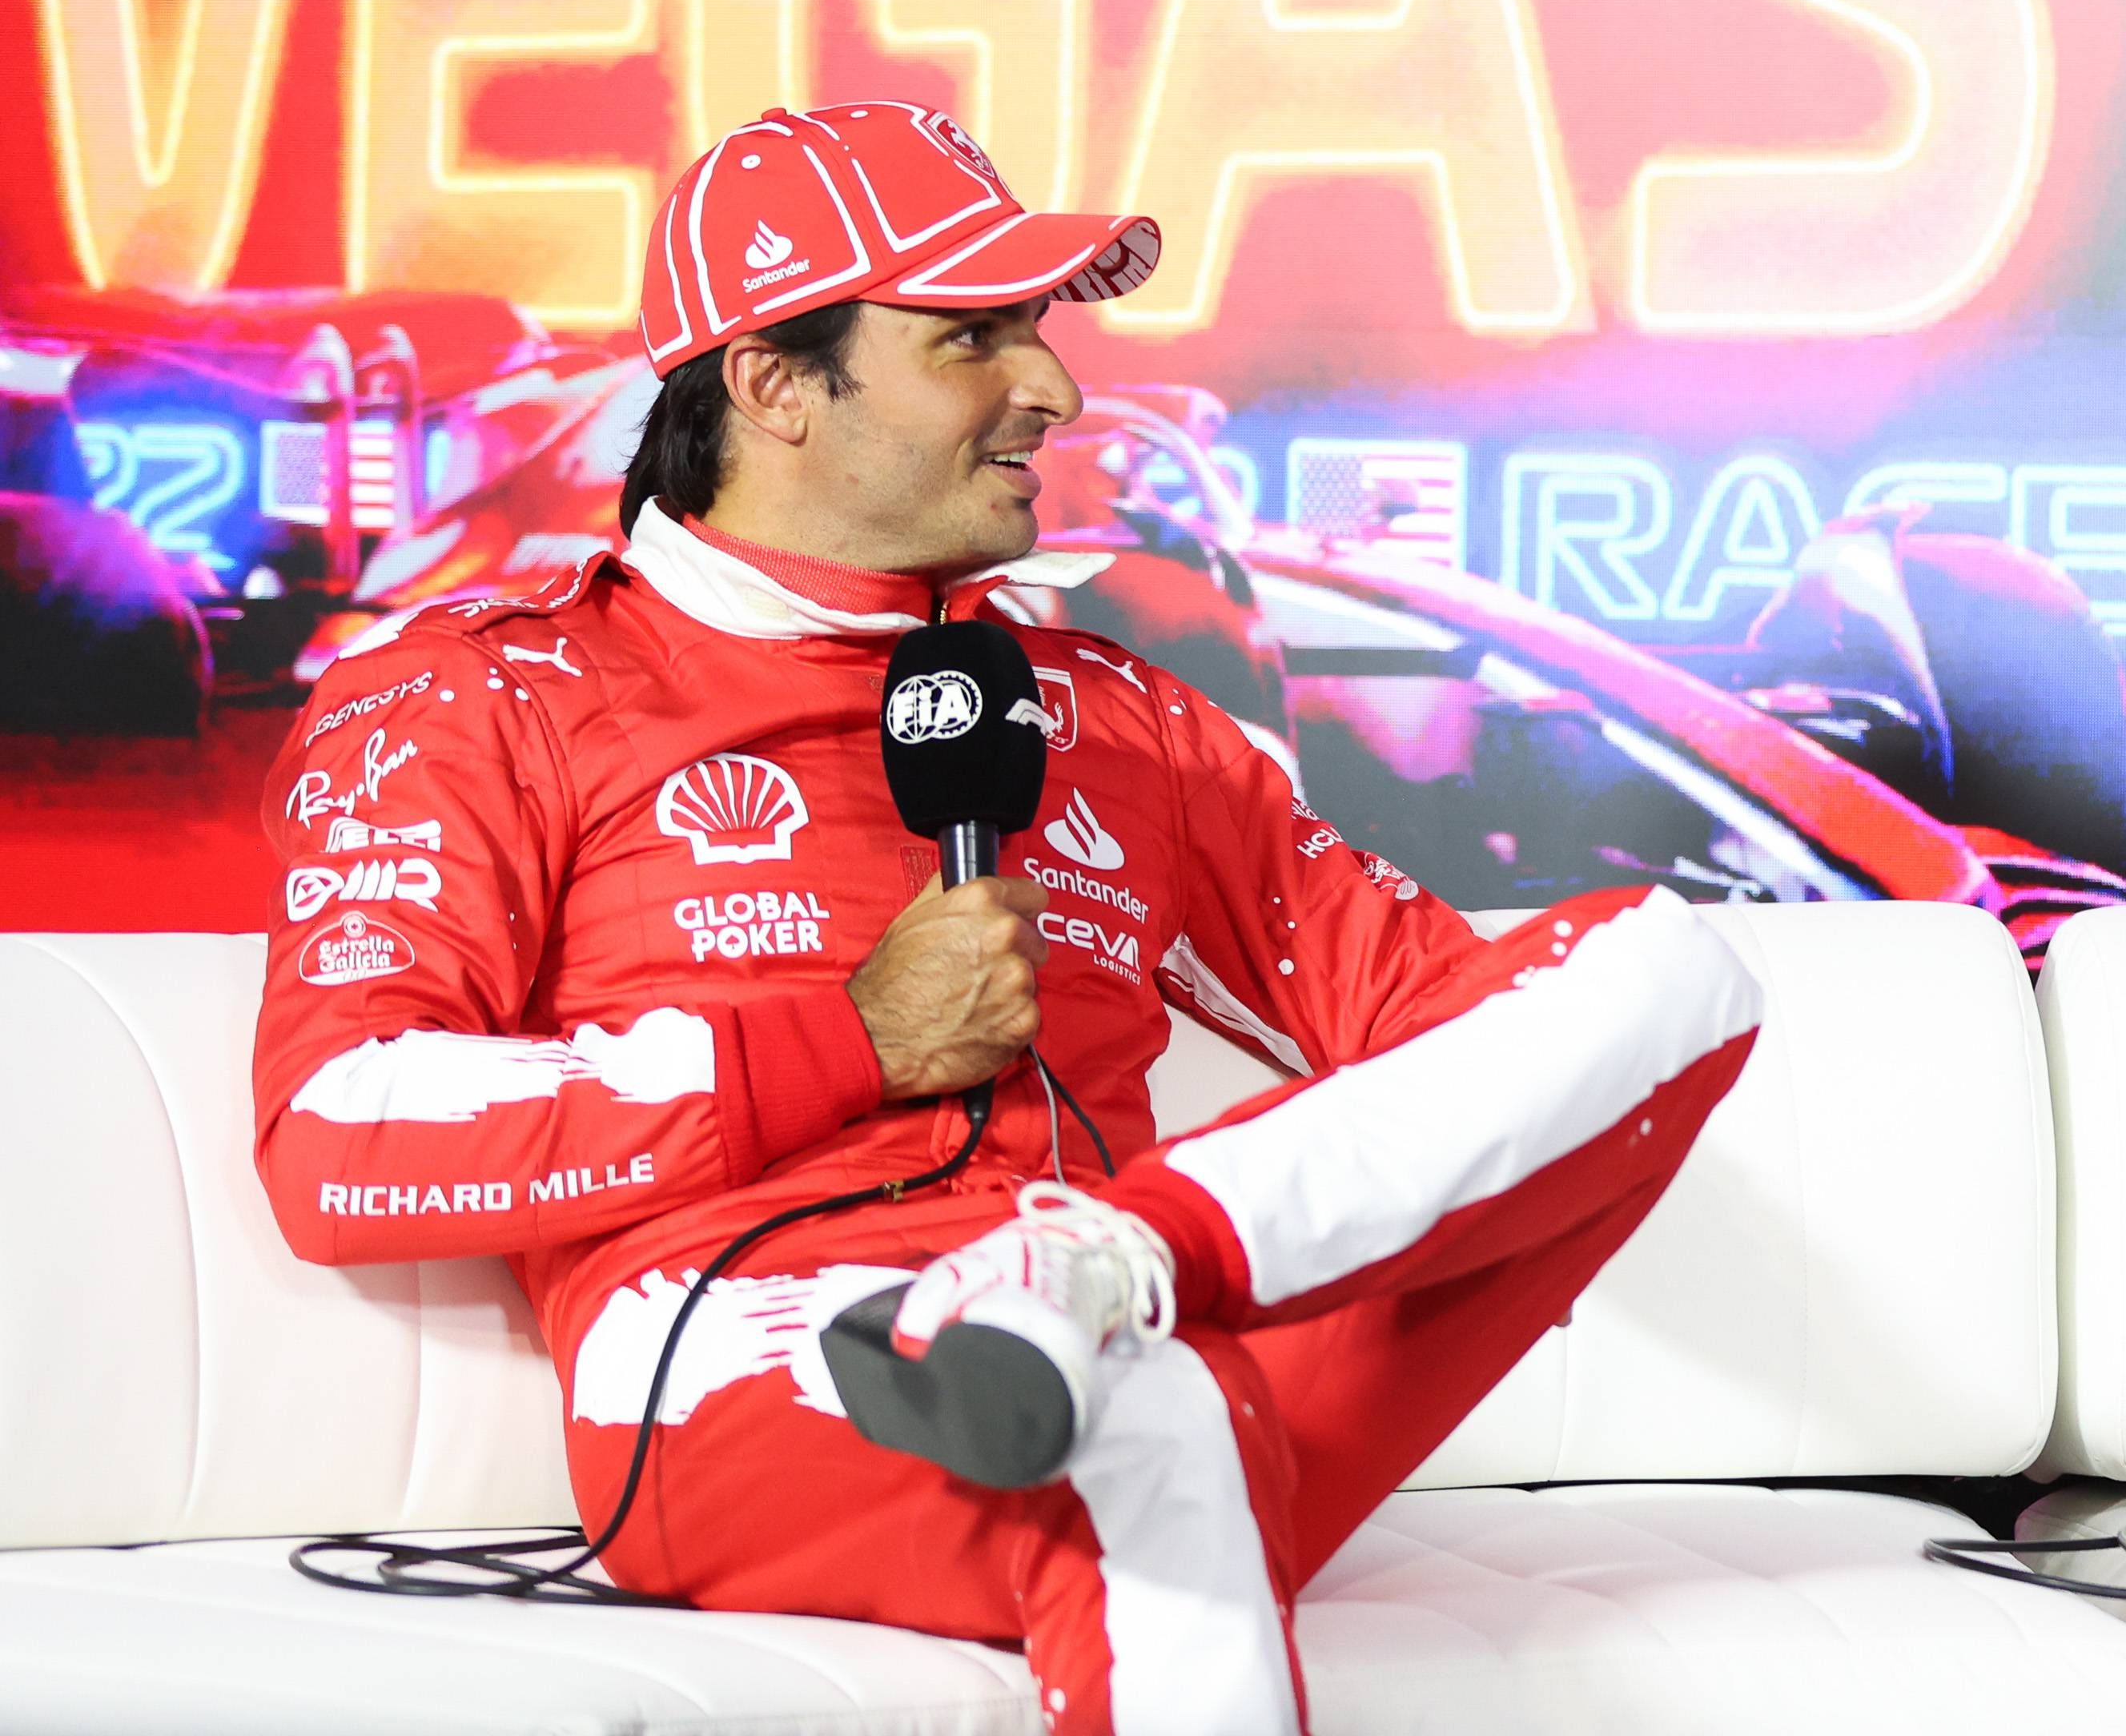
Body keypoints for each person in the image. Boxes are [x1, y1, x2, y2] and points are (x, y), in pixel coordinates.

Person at [249, 101, 1762, 1736]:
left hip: (1143, 1321)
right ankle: (1059, 1326)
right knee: (1143, 1429)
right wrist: (848, 1039)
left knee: (1665, 970)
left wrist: (1135, 1258)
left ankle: (1089, 1269)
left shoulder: (1125, 717)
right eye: (972, 336)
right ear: (773, 383)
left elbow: (1473, 1031)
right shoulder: (485, 691)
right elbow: (340, 1131)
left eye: (1035, 329)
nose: (1055, 387)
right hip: (753, 1353)